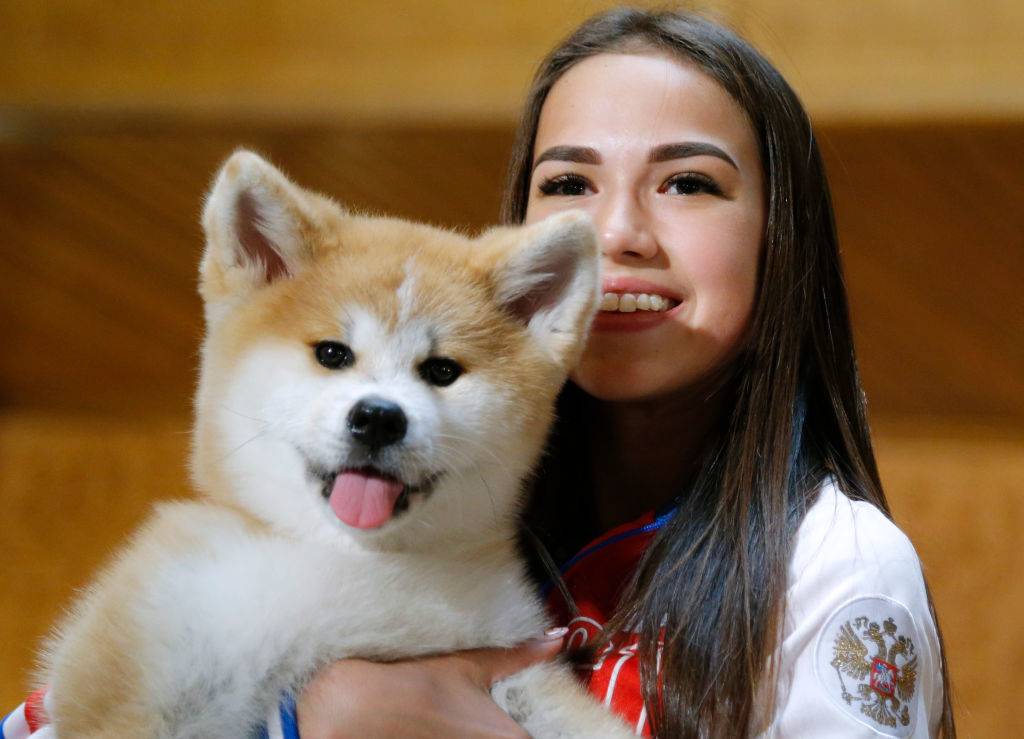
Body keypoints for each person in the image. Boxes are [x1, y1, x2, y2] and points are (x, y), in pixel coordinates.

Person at [2, 8, 954, 739]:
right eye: (570, 183)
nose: (616, 232)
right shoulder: (478, 522)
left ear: (782, 241)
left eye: (688, 182)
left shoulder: (832, 567)